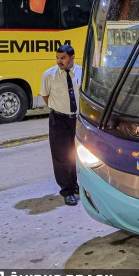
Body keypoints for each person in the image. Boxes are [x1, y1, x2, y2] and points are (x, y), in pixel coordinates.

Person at [41, 44, 81, 206]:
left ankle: (78, 185)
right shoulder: (49, 75)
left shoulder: (82, 72)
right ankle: (68, 190)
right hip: (59, 120)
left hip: (79, 120)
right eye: (57, 58)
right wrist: (60, 107)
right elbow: (46, 96)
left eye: (63, 58)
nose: (59, 61)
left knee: (80, 155)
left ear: (72, 58)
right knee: (62, 156)